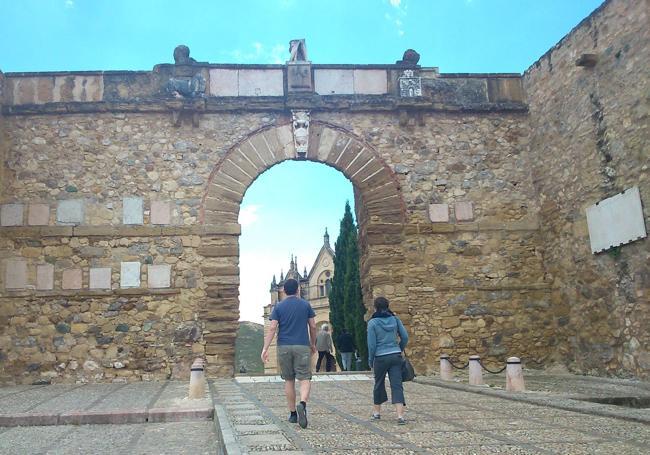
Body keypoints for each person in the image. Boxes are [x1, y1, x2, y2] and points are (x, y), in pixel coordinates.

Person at [261, 278, 316, 429]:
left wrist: (265, 348)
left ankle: (292, 414)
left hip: (284, 346)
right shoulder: (306, 305)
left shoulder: (279, 307)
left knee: (289, 380)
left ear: (283, 291)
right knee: (304, 378)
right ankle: (303, 403)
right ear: (298, 289)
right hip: (302, 345)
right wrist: (313, 344)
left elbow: (272, 328)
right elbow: (312, 326)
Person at [367, 296, 409, 425]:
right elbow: (405, 337)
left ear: (375, 307)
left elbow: (372, 345)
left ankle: (376, 412)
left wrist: (370, 359)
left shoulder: (372, 323)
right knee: (397, 385)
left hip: (380, 357)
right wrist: (399, 348)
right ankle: (400, 415)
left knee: (379, 383)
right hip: (395, 355)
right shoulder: (395, 319)